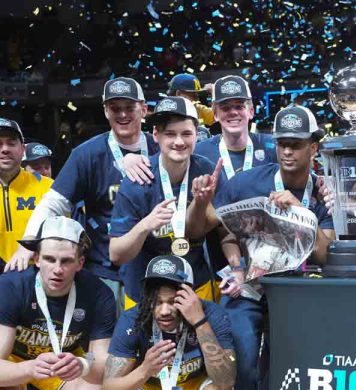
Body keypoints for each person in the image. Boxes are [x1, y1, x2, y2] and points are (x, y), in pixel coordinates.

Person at [186, 104, 335, 390]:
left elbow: (326, 254)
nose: (287, 151)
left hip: (301, 293)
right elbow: (200, 230)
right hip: (251, 289)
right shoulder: (247, 182)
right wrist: (200, 202)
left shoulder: (325, 191)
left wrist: (300, 214)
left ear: (314, 148)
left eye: (296, 144)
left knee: (301, 371)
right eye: (282, 143)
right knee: (242, 368)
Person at [6, 77, 159, 312]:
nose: (123, 114)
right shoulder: (87, 154)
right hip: (106, 273)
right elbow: (53, 204)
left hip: (155, 267)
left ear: (144, 109)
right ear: (106, 111)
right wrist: (28, 243)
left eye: (130, 107)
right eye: (115, 108)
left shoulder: (160, 148)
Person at [0, 216, 116, 390]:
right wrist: (29, 368)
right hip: (15, 362)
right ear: (36, 258)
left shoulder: (100, 295)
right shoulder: (11, 286)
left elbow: (104, 363)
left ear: (80, 263)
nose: (57, 269)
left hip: (66, 361)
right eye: (50, 259)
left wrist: (83, 365)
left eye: (66, 261)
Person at [109, 96, 221, 309]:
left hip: (195, 286)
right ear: (155, 135)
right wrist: (145, 225)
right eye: (170, 134)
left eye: (186, 133)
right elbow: (116, 255)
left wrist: (199, 203)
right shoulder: (137, 180)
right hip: (145, 290)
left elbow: (196, 233)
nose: (179, 141)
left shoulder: (207, 171)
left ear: (197, 135)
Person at [102, 255, 235, 390]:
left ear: (190, 296)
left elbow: (226, 384)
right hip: (151, 388)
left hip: (194, 385)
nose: (164, 311)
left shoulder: (212, 314)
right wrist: (145, 369)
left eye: (173, 302)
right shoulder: (132, 319)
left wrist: (200, 322)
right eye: (157, 302)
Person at [193, 75, 277, 280]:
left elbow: (303, 176)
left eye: (239, 106)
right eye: (225, 107)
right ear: (214, 113)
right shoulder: (199, 151)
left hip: (272, 260)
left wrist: (321, 184)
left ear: (251, 110)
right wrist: (131, 158)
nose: (233, 112)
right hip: (219, 263)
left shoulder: (272, 147)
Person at [0, 119, 53, 272]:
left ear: (22, 149)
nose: (5, 149)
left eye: (11, 143)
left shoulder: (48, 188)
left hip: (37, 276)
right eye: (0, 144)